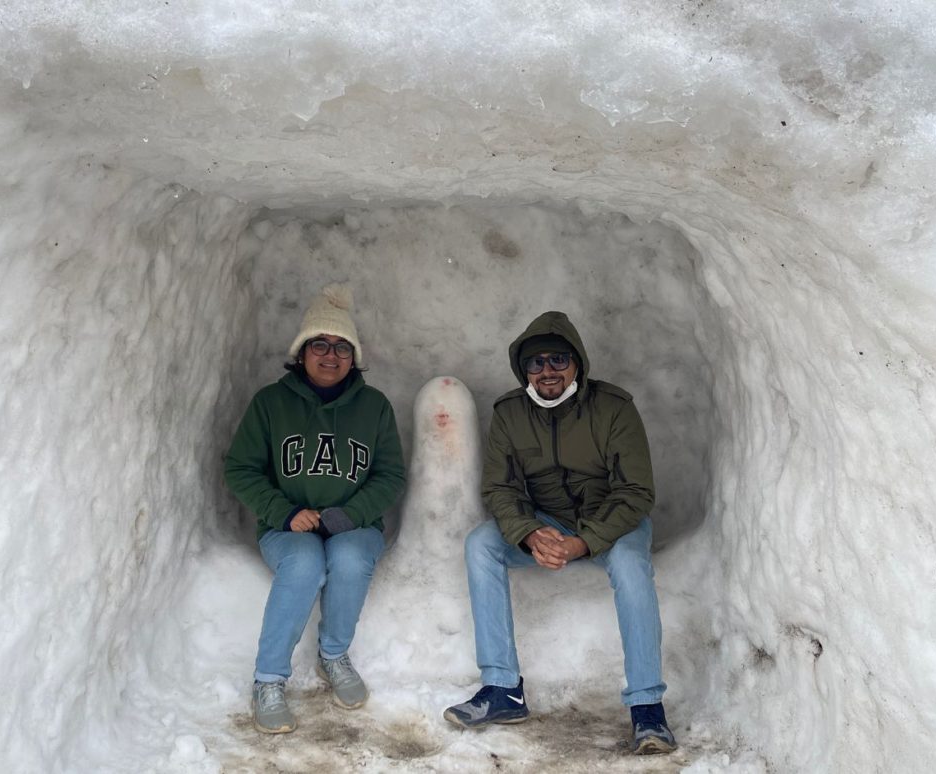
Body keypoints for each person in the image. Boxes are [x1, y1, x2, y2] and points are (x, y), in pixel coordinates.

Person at [443, 311, 676, 755]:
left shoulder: (613, 409)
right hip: (546, 525)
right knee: (481, 545)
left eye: (557, 360)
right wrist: (530, 534)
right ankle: (502, 689)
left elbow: (635, 491)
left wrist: (584, 541)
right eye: (536, 363)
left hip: (612, 523)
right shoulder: (510, 414)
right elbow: (500, 488)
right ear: (524, 370)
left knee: (630, 565)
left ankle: (648, 709)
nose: (547, 370)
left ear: (577, 363)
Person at [224, 284, 406, 734]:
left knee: (347, 557)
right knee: (304, 564)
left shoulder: (374, 406)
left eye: (342, 347)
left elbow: (390, 476)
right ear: (302, 352)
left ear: (354, 357)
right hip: (286, 527)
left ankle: (334, 655)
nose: (331, 355)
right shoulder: (271, 403)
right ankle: (269, 681)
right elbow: (240, 469)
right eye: (320, 345)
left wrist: (351, 515)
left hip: (353, 525)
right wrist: (285, 513)